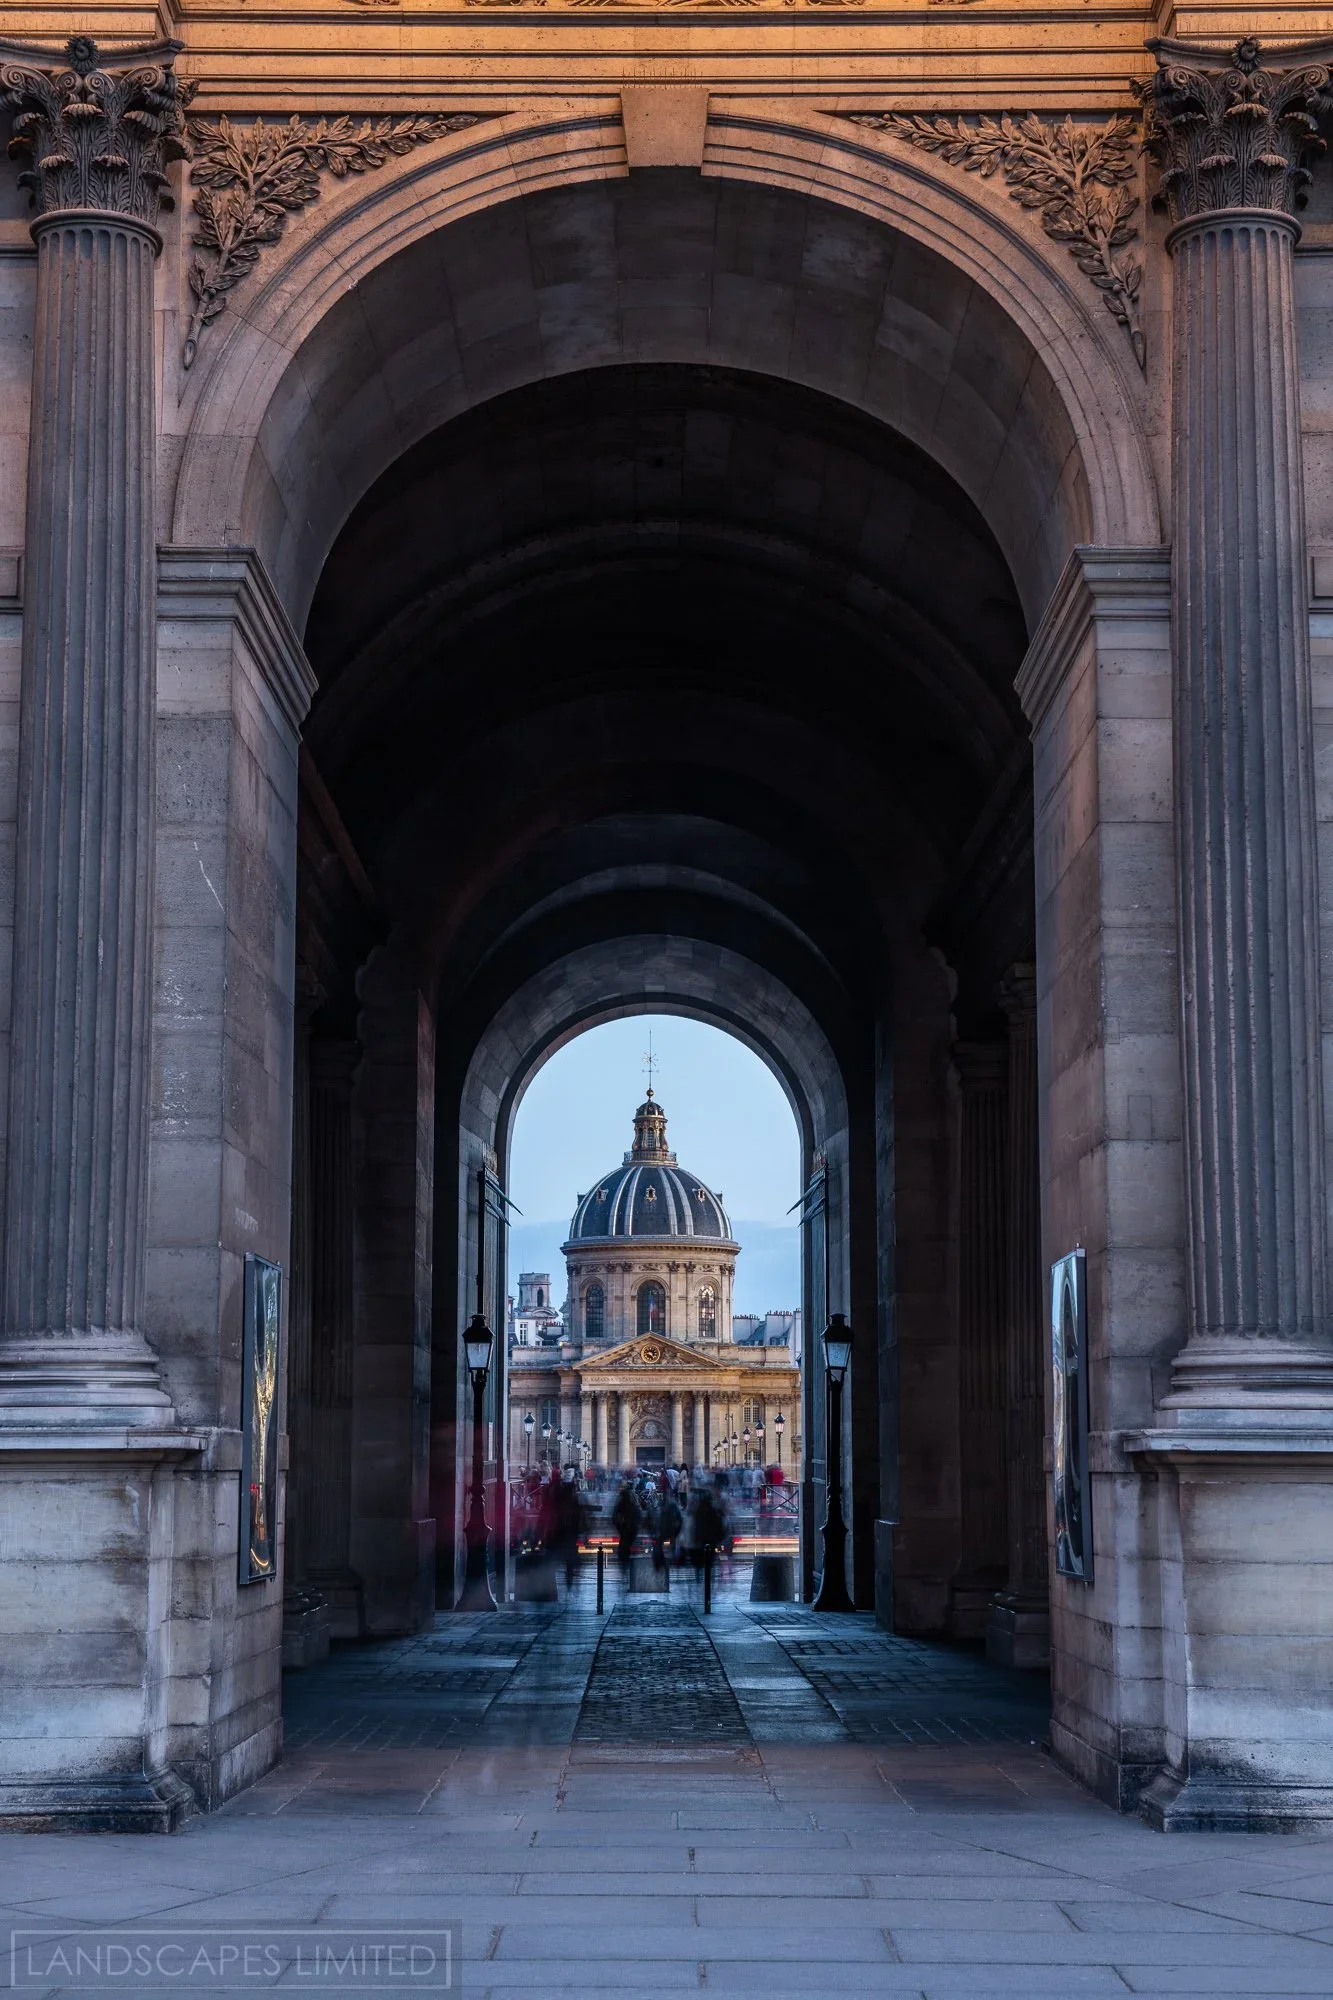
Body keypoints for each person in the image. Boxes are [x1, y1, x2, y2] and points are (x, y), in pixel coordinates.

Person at [611, 1480, 641, 1568]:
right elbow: (638, 1512)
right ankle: (627, 1561)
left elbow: (615, 1514)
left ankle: (624, 1561)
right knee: (627, 1544)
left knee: (624, 1544)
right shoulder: (632, 1498)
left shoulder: (622, 1500)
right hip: (630, 1527)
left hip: (625, 1527)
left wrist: (619, 1525)